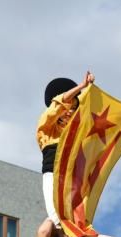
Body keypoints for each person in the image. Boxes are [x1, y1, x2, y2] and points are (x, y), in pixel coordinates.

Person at [37, 72, 95, 226]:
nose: (70, 110)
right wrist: (81, 87)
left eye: (74, 107)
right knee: (56, 218)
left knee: (77, 219)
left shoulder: (77, 133)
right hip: (53, 174)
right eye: (68, 106)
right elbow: (57, 105)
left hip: (72, 178)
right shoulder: (47, 128)